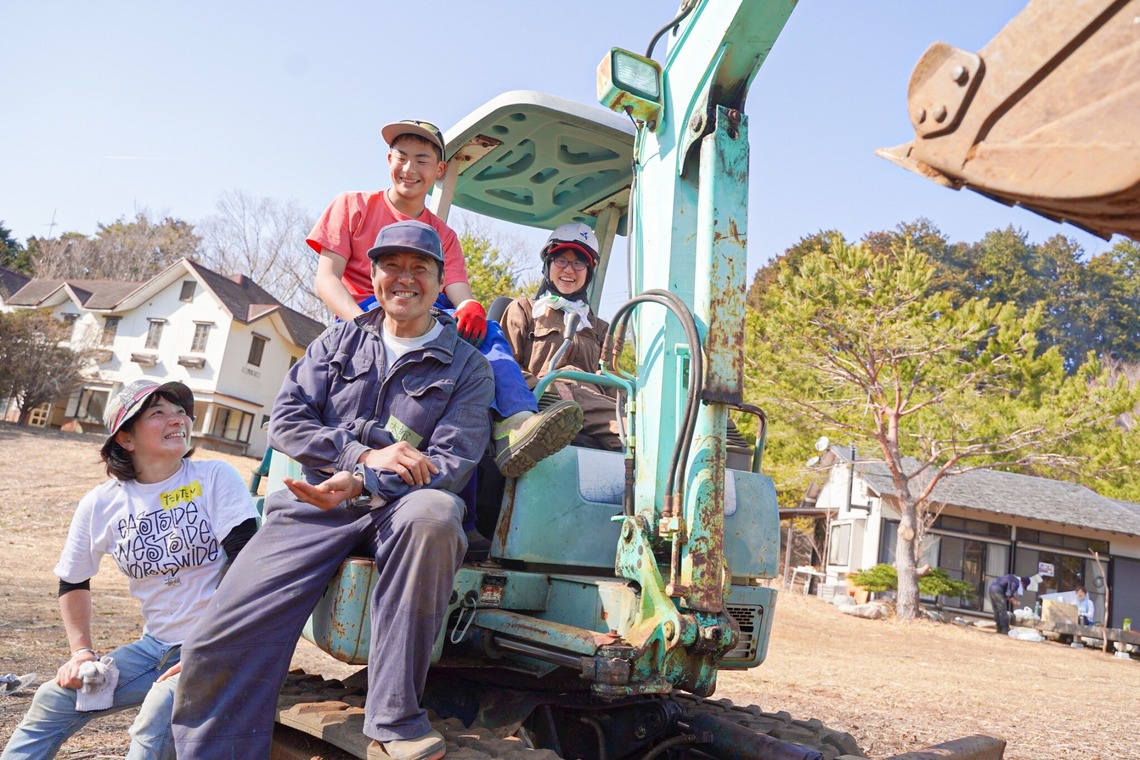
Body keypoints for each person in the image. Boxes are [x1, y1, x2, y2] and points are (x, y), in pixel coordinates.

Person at [172, 221, 494, 760]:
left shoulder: (469, 367)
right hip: (318, 503)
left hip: (403, 507)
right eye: (392, 265)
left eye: (421, 269)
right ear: (372, 274)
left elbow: (450, 462)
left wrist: (366, 480)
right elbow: (285, 421)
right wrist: (359, 456)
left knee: (437, 513)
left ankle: (394, 719)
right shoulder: (338, 342)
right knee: (213, 641)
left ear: (441, 283)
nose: (405, 278)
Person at [309, 118, 582, 479]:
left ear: (438, 170)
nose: (409, 169)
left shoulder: (444, 235)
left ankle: (515, 422)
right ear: (388, 159)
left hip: (426, 313)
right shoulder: (352, 206)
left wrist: (470, 308)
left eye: (422, 161)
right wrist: (362, 327)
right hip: (367, 309)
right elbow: (326, 280)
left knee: (489, 331)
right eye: (401, 157)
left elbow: (457, 291)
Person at [1, 380, 257, 760]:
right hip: (155, 648)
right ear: (125, 438)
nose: (177, 420)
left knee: (153, 725)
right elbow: (73, 580)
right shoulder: (102, 503)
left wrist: (209, 648)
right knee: (52, 698)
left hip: (223, 645)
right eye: (158, 413)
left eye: (180, 412)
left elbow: (248, 561)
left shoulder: (213, 478)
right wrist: (82, 653)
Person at [501, 223, 623, 451]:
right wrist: (549, 389)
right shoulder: (525, 309)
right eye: (561, 260)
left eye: (579, 263)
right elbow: (505, 367)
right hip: (544, 398)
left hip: (593, 403)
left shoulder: (600, 328)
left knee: (640, 426)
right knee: (626, 431)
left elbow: (613, 381)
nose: (569, 270)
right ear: (548, 264)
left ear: (589, 271)